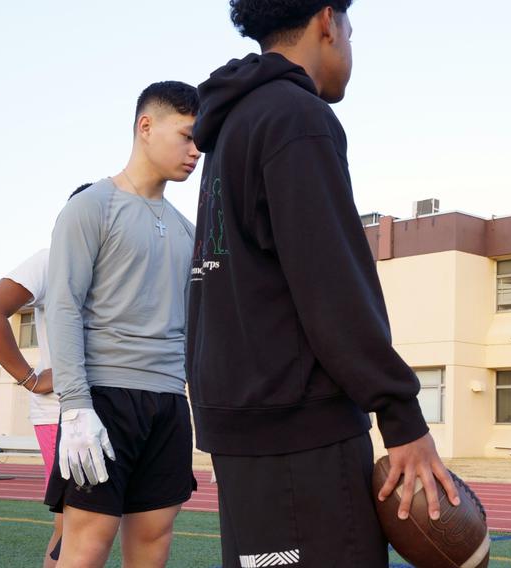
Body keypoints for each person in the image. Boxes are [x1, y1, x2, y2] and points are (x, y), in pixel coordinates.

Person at [187, 1, 459, 566]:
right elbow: (332, 285)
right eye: (352, 30)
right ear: (328, 22)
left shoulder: (232, 123)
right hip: (300, 432)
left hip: (243, 426)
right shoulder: (295, 116)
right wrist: (401, 414)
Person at [44, 81, 200, 568]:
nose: (196, 152)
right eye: (188, 136)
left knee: (155, 538)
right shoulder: (92, 206)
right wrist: (75, 406)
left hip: (170, 401)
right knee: (88, 544)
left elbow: (192, 326)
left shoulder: (186, 229)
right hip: (106, 398)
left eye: (202, 142)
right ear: (146, 126)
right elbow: (64, 305)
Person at [0, 183, 88, 567]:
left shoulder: (121, 268)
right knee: (72, 524)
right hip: (60, 411)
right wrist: (30, 378)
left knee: (106, 521)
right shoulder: (50, 259)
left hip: (112, 406)